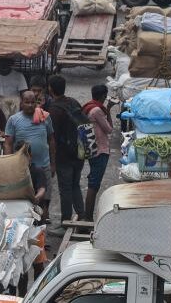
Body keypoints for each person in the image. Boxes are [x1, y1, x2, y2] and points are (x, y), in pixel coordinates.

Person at [46, 75, 87, 233]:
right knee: (75, 185)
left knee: (65, 189)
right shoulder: (74, 102)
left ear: (50, 88)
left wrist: (52, 161)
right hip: (79, 151)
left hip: (64, 155)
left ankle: (65, 223)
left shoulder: (54, 110)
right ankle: (82, 217)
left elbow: (52, 138)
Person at [5, 90, 55, 213]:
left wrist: (53, 163)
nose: (30, 105)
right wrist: (9, 163)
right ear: (21, 103)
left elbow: (51, 140)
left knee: (45, 196)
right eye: (27, 102)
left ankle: (44, 220)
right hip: (23, 167)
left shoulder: (44, 117)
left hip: (44, 164)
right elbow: (8, 143)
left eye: (33, 102)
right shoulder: (13, 120)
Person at [82, 85, 113, 220]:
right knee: (94, 185)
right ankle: (88, 217)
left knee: (93, 183)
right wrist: (110, 110)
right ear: (103, 96)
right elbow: (109, 129)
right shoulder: (97, 111)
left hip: (92, 148)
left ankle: (88, 216)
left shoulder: (89, 106)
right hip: (100, 150)